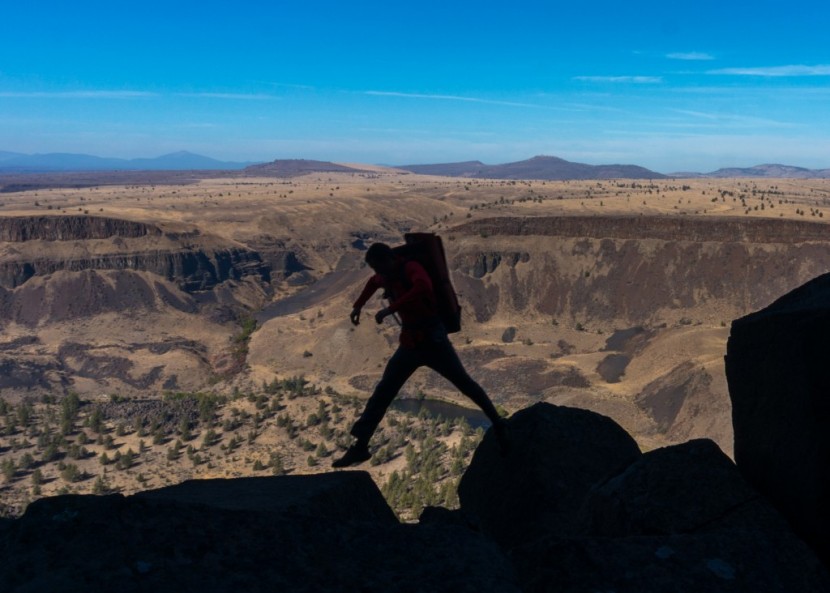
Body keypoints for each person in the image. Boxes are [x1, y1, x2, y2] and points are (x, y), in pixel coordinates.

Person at [332, 242, 510, 468]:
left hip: (433, 341)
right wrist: (358, 306)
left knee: (464, 384)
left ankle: (498, 423)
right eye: (376, 269)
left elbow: (423, 287)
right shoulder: (387, 274)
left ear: (389, 259)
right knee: (383, 392)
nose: (378, 274)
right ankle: (360, 447)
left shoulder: (411, 268)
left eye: (380, 268)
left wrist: (391, 308)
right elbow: (372, 283)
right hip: (410, 343)